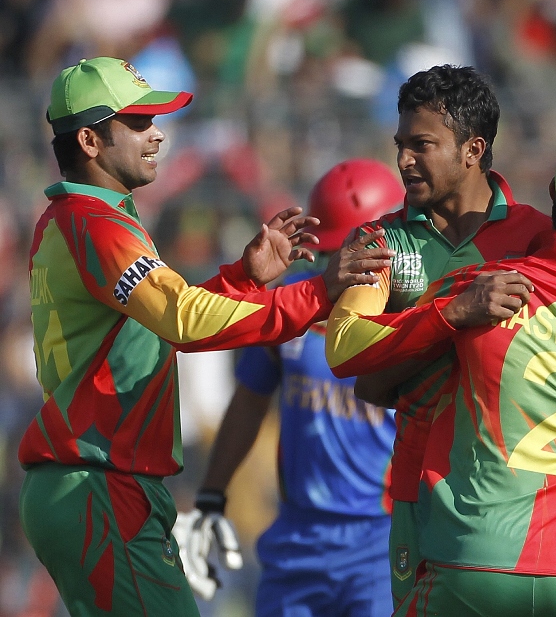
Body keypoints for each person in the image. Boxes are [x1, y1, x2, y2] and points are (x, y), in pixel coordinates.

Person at [20, 57, 393, 617]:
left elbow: (160, 326)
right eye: (141, 122)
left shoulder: (78, 219)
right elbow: (183, 321)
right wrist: (317, 291)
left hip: (89, 487)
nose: (158, 133)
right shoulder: (95, 223)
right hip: (98, 486)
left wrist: (243, 280)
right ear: (92, 140)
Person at [328, 134, 556, 616]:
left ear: (552, 198)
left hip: (469, 564)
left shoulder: (474, 288)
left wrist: (454, 323)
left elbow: (373, 383)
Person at [172, 158, 405, 616]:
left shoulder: (411, 313)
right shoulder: (296, 303)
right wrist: (211, 495)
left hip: (381, 541)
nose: (346, 268)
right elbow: (248, 400)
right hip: (297, 538)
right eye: (337, 253)